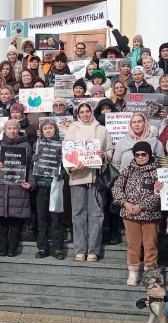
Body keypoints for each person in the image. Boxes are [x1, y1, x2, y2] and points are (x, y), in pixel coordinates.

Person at [65, 102, 114, 262]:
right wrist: (72, 166)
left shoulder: (101, 129)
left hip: (96, 177)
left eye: (87, 111)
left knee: (97, 214)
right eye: (82, 112)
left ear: (92, 112)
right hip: (78, 176)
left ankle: (93, 250)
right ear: (78, 114)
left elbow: (109, 151)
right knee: (78, 214)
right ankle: (80, 249)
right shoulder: (72, 128)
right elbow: (66, 151)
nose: (85, 114)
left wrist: (103, 156)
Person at [111, 141, 160, 285]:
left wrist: (141, 206)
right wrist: (126, 204)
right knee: (133, 244)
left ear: (149, 154)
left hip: (150, 215)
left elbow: (159, 194)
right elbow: (116, 188)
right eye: (137, 154)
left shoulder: (158, 170)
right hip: (130, 214)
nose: (140, 157)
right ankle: (133, 273)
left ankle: (150, 273)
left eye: (143, 154)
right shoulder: (128, 169)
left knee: (150, 245)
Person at [0, 119, 35, 257]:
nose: (12, 131)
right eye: (9, 128)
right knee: (1, 220)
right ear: (5, 130)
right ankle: (3, 247)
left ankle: (12, 248)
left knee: (16, 221)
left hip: (18, 187)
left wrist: (31, 183)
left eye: (14, 128)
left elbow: (31, 167)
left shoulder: (26, 145)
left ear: (18, 130)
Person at [32, 119, 65, 259]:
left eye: (51, 128)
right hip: (41, 186)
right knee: (42, 218)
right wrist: (34, 159)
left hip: (55, 185)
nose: (48, 130)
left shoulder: (62, 145)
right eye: (45, 128)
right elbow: (31, 164)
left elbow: (67, 163)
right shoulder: (37, 144)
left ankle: (57, 248)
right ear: (42, 131)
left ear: (55, 130)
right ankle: (42, 248)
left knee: (56, 218)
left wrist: (62, 172)